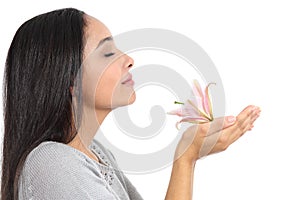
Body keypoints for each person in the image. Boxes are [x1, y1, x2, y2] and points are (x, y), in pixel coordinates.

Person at [1, 8, 261, 200]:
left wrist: (187, 157)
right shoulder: (52, 163)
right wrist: (186, 156)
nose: (128, 60)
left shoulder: (97, 153)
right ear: (70, 80)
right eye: (107, 52)